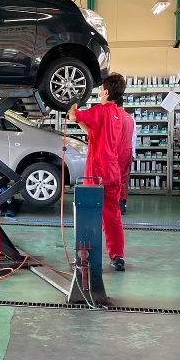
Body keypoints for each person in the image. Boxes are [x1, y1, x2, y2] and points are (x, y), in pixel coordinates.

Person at [68, 73, 126, 272]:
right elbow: (92, 132)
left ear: (106, 92)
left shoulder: (99, 110)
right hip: (113, 172)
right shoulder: (118, 116)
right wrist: (81, 122)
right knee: (112, 215)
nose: (99, 91)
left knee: (89, 214)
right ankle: (117, 257)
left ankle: (87, 258)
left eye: (101, 88)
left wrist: (73, 102)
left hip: (97, 172)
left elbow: (73, 115)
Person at [114, 87, 136, 215]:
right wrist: (132, 154)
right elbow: (134, 137)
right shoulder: (130, 118)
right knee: (123, 179)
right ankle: (122, 203)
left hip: (117, 151)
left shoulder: (115, 116)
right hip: (128, 151)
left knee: (114, 179)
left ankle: (115, 204)